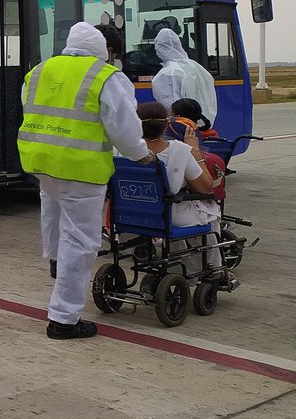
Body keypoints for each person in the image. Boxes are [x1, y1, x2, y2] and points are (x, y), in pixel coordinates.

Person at [19, 22, 154, 340]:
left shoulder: (40, 70)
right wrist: (141, 155)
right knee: (80, 242)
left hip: (41, 162)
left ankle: (56, 261)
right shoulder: (105, 76)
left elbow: (32, 109)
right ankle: (64, 319)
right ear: (105, 50)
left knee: (54, 219)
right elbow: (123, 126)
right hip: (81, 170)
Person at [137, 101, 225, 277]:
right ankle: (215, 270)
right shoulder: (180, 151)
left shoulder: (121, 151)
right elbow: (206, 188)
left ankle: (178, 266)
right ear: (165, 126)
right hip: (170, 214)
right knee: (210, 217)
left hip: (135, 214)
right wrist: (195, 152)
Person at [152, 27, 217, 126]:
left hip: (183, 127)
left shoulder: (166, 73)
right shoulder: (197, 67)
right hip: (204, 124)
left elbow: (169, 107)